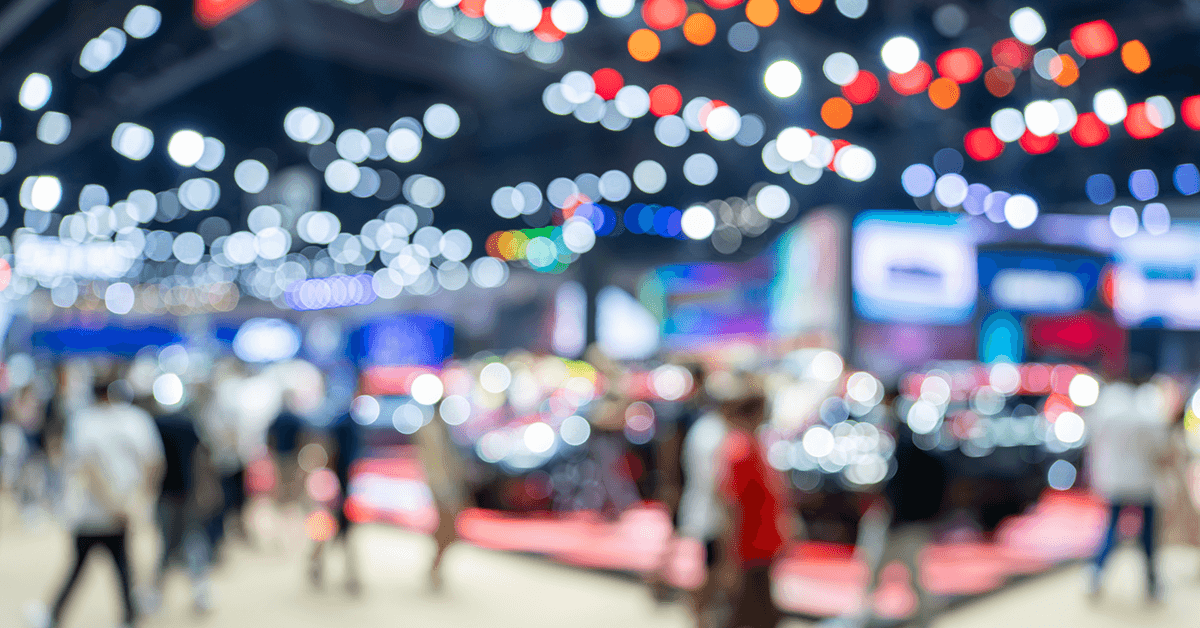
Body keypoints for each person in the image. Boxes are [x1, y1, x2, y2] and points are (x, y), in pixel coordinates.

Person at [37, 375, 164, 628]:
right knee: (119, 567)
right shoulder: (136, 420)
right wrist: (135, 503)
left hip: (92, 512)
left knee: (88, 566)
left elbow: (87, 469)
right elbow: (154, 464)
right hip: (117, 511)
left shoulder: (84, 421)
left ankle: (54, 616)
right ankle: (127, 617)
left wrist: (116, 505)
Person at [833, 387, 948, 628]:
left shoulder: (904, 435)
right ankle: (869, 616)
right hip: (904, 518)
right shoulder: (901, 431)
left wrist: (895, 512)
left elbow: (904, 482)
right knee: (892, 573)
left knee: (883, 570)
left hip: (900, 520)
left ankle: (864, 618)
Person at [712, 374, 793, 628]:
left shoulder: (751, 445)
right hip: (749, 548)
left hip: (759, 545)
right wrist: (730, 555)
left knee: (756, 614)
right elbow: (731, 506)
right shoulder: (740, 449)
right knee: (747, 613)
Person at [1086, 377, 1170, 602]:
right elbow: (1159, 446)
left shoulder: (1106, 406)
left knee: (1111, 529)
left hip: (1114, 479)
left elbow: (1094, 440)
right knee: (1148, 535)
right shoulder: (1148, 408)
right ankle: (1152, 582)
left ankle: (1096, 575)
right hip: (1144, 480)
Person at [145, 395, 221, 615]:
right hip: (188, 492)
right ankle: (200, 594)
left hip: (167, 494)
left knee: (168, 544)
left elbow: (154, 462)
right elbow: (202, 457)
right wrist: (205, 487)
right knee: (192, 541)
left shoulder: (156, 424)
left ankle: (156, 596)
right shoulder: (189, 424)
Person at [413, 404, 472, 591]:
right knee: (446, 527)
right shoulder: (428, 430)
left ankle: (436, 565)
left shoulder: (448, 430)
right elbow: (430, 461)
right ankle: (435, 566)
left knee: (450, 529)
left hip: (450, 484)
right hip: (440, 484)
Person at [309, 394, 363, 595]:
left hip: (340, 489)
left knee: (337, 533)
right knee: (333, 532)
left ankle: (343, 574)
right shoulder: (346, 426)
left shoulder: (342, 425)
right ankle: (346, 575)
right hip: (338, 490)